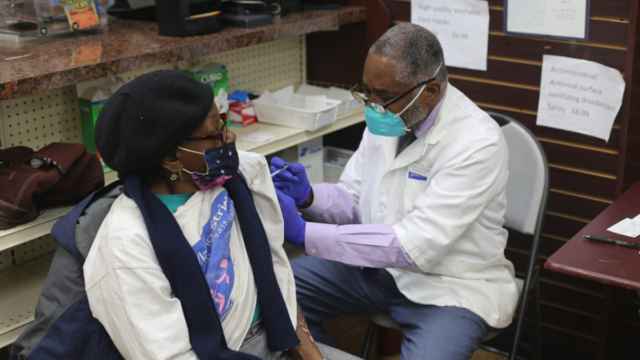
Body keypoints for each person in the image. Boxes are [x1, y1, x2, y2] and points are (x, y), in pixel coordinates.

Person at [271, 24, 518, 360]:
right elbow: (355, 200)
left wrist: (304, 233)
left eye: (383, 95)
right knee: (269, 289)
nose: (372, 105)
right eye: (366, 91)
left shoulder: (476, 142)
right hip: (377, 273)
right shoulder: (391, 117)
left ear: (430, 91)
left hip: (448, 286)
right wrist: (310, 198)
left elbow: (416, 245)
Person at [86, 70, 361, 360]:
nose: (229, 136)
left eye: (224, 122)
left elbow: (275, 275)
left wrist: (310, 353)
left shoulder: (236, 180)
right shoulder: (125, 244)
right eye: (214, 131)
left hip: (273, 337)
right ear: (171, 158)